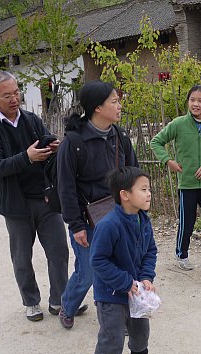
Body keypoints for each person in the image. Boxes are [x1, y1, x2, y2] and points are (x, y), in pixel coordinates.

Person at [0, 70, 69, 322]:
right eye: (7, 95)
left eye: (16, 92)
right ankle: (31, 301)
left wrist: (54, 145)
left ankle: (60, 300)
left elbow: (45, 138)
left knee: (59, 251)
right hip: (15, 204)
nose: (14, 99)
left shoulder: (30, 119)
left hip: (45, 198)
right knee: (21, 257)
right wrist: (26, 158)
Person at [57, 81, 139, 329]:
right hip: (87, 220)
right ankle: (68, 306)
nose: (119, 106)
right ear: (97, 108)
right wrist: (76, 225)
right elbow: (66, 187)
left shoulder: (120, 136)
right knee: (89, 272)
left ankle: (121, 318)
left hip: (118, 217)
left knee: (122, 268)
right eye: (114, 101)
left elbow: (133, 174)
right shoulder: (74, 142)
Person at [84, 166, 159, 354]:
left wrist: (147, 277)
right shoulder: (109, 225)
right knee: (112, 337)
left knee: (140, 327)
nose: (149, 194)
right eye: (144, 189)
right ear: (125, 195)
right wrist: (125, 282)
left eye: (148, 189)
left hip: (135, 290)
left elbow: (150, 251)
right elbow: (98, 261)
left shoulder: (142, 219)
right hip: (111, 293)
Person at [150, 85, 201, 286]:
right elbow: (156, 142)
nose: (196, 104)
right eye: (192, 99)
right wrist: (168, 160)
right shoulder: (179, 124)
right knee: (187, 223)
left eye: (200, 100)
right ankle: (181, 254)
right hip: (187, 184)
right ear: (188, 101)